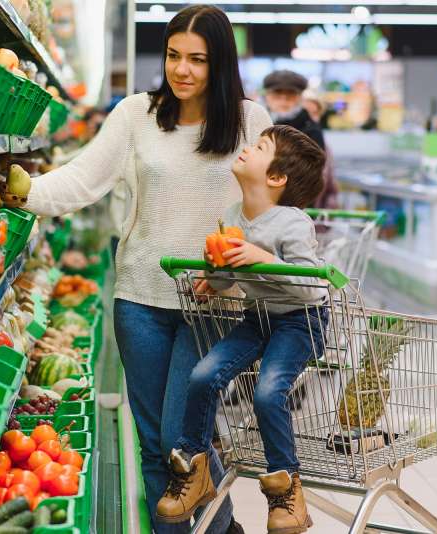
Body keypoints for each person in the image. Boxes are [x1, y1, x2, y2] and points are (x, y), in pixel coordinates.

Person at [25, 5, 272, 533]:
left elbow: (266, 214)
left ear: (220, 63)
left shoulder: (251, 122)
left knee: (182, 441)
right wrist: (19, 190)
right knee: (154, 442)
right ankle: (218, 529)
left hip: (211, 305)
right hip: (139, 299)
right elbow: (81, 180)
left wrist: (235, 268)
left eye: (197, 60)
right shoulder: (136, 114)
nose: (182, 70)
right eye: (173, 56)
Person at [155, 125, 327, 534]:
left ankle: (287, 491)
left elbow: (313, 285)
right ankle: (195, 473)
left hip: (301, 321)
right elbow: (230, 272)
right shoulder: (233, 216)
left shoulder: (292, 223)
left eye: (260, 147)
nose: (247, 149)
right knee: (202, 375)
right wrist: (212, 278)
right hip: (258, 317)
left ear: (276, 178)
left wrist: (261, 257)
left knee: (269, 392)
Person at [263, 70, 325, 151]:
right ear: (267, 97)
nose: (283, 101)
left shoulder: (311, 129)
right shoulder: (256, 121)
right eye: (277, 95)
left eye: (290, 96)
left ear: (300, 98)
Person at [302, 90, 338, 209]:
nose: (311, 118)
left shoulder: (325, 148)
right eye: (306, 113)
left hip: (315, 218)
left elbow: (331, 188)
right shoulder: (279, 144)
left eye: (315, 113)